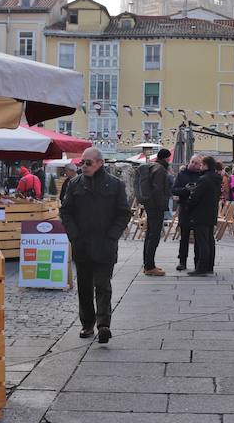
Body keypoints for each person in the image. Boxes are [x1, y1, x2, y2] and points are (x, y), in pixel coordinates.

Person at [60, 147, 131, 344]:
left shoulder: (115, 184)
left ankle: (103, 325)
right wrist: (74, 236)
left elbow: (124, 213)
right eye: (81, 162)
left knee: (102, 285)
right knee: (84, 287)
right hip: (82, 244)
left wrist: (112, 236)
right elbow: (65, 212)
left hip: (105, 244)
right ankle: (87, 324)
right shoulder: (74, 184)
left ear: (100, 163)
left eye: (88, 163)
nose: (83, 166)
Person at [186, 155, 222, 276]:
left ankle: (201, 268)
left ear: (206, 165)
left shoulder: (204, 179)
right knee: (209, 241)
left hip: (201, 214)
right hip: (211, 213)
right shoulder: (217, 178)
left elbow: (195, 197)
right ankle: (209, 266)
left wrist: (189, 205)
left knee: (202, 242)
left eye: (201, 165)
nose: (200, 167)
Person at [142, 148, 173, 276]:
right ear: (167, 158)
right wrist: (161, 204)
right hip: (156, 206)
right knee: (154, 235)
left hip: (151, 205)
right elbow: (157, 189)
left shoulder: (153, 166)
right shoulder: (160, 169)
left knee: (150, 235)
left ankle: (148, 264)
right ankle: (150, 266)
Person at [173, 154, 204, 271]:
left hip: (197, 210)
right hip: (185, 209)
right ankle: (182, 261)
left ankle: (197, 262)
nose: (193, 165)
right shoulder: (181, 174)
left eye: (197, 163)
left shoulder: (201, 175)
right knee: (184, 237)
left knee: (198, 238)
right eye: (192, 162)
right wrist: (185, 190)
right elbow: (174, 189)